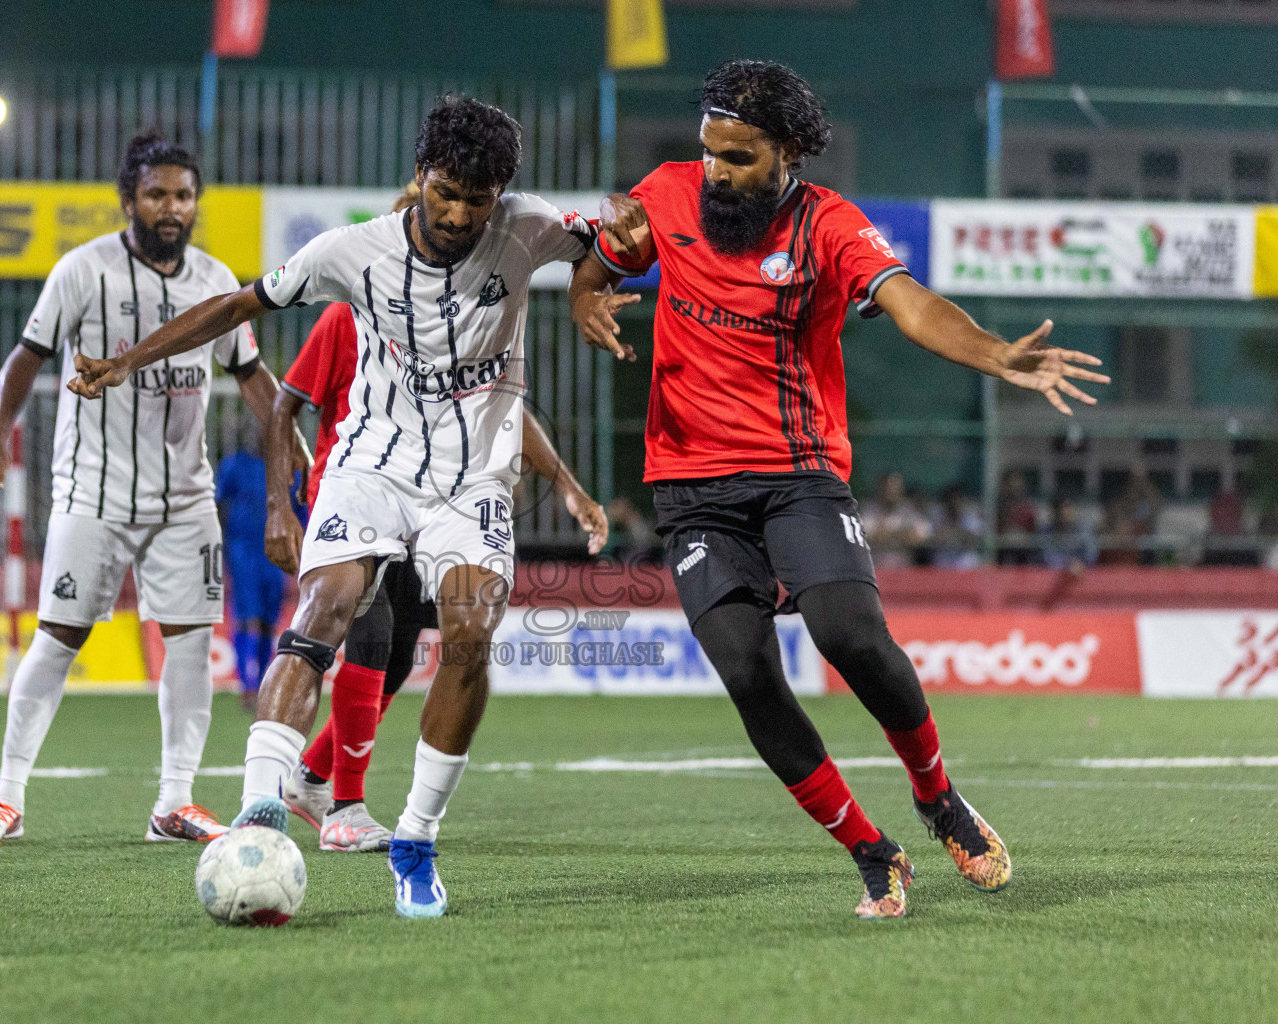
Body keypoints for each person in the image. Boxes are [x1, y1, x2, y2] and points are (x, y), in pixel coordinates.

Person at [571, 60, 1108, 918]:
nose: (716, 172)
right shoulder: (667, 195)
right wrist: (584, 297)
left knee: (846, 631)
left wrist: (995, 353)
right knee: (746, 669)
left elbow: (908, 302)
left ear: (785, 153)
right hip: (691, 486)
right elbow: (601, 258)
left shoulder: (828, 225)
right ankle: (871, 850)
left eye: (738, 158)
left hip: (796, 473)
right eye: (709, 153)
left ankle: (937, 798)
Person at [69, 96, 602, 918]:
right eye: (446, 191)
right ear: (421, 176)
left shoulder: (528, 228)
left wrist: (589, 287)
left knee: (469, 634)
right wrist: (128, 360)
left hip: (474, 481)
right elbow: (237, 308)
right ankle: (259, 813)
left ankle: (417, 841)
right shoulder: (352, 252)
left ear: (502, 192)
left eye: (479, 197)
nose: (460, 212)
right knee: (327, 606)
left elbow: (622, 239)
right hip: (370, 464)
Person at [0, 133, 306, 848]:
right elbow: (25, 359)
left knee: (187, 645)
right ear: (129, 201)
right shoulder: (82, 272)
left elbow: (249, 373)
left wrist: (288, 431)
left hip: (184, 499)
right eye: (157, 194)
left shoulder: (215, 277)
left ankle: (173, 802)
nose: (171, 207)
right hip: (94, 490)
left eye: (183, 195)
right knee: (57, 639)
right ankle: (7, 796)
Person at [275, 288, 609, 854]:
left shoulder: (459, 321)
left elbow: (505, 410)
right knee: (371, 635)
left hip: (426, 503)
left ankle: (309, 778)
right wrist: (280, 505)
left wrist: (568, 486)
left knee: (401, 651)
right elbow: (285, 402)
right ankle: (344, 808)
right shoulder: (345, 315)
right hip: (353, 495)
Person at [215, 422, 299, 709]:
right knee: (246, 616)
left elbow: (302, 513)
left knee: (267, 621)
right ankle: (246, 685)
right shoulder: (234, 465)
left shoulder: (289, 470)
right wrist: (220, 550)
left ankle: (263, 679)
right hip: (242, 551)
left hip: (275, 554)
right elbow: (218, 507)